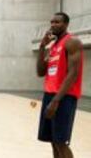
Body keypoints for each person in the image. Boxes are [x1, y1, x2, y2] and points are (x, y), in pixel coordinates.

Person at [36, 12, 83, 158]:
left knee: (61, 142)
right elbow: (40, 71)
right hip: (49, 95)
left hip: (63, 97)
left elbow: (73, 74)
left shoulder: (72, 42)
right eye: (52, 22)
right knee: (53, 141)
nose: (53, 25)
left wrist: (56, 101)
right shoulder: (53, 46)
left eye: (57, 22)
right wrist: (42, 46)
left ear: (66, 24)